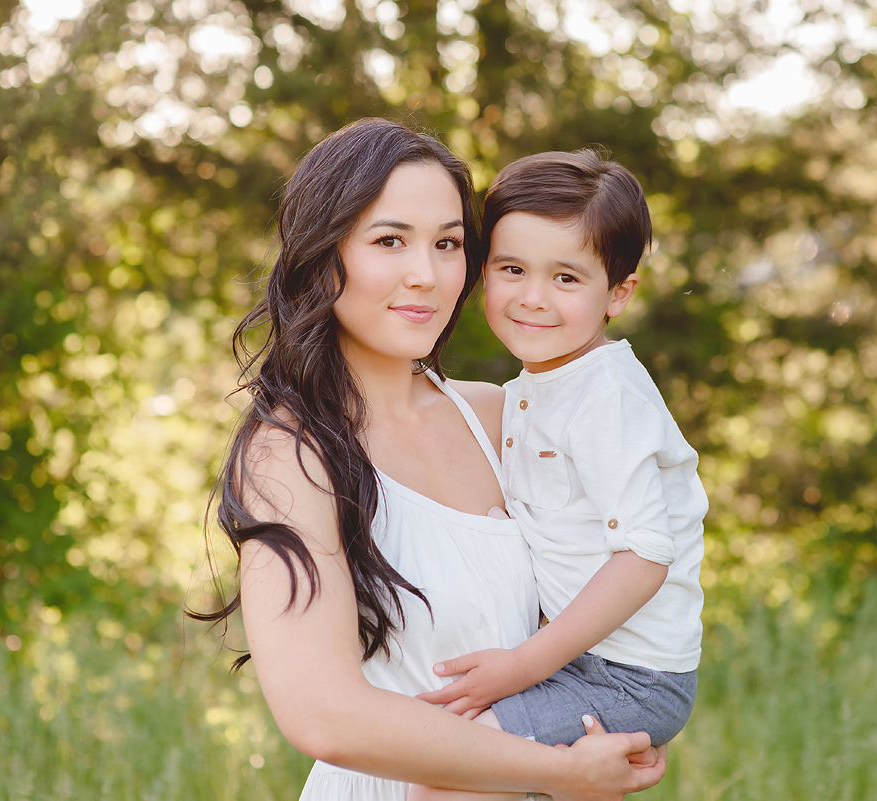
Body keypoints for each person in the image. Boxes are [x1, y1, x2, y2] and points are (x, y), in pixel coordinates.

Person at [193, 119, 667, 801]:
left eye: (447, 243)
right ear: (324, 254)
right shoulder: (292, 455)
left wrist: (621, 729)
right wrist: (562, 772)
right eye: (390, 240)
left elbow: (636, 570)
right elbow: (324, 714)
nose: (427, 274)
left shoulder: (502, 416)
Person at [409, 151, 707, 801]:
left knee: (450, 780)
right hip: (581, 658)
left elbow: (646, 555)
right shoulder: (538, 387)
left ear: (618, 293)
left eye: (567, 277)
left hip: (627, 676)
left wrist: (521, 665)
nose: (533, 298)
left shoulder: (606, 396)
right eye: (512, 269)